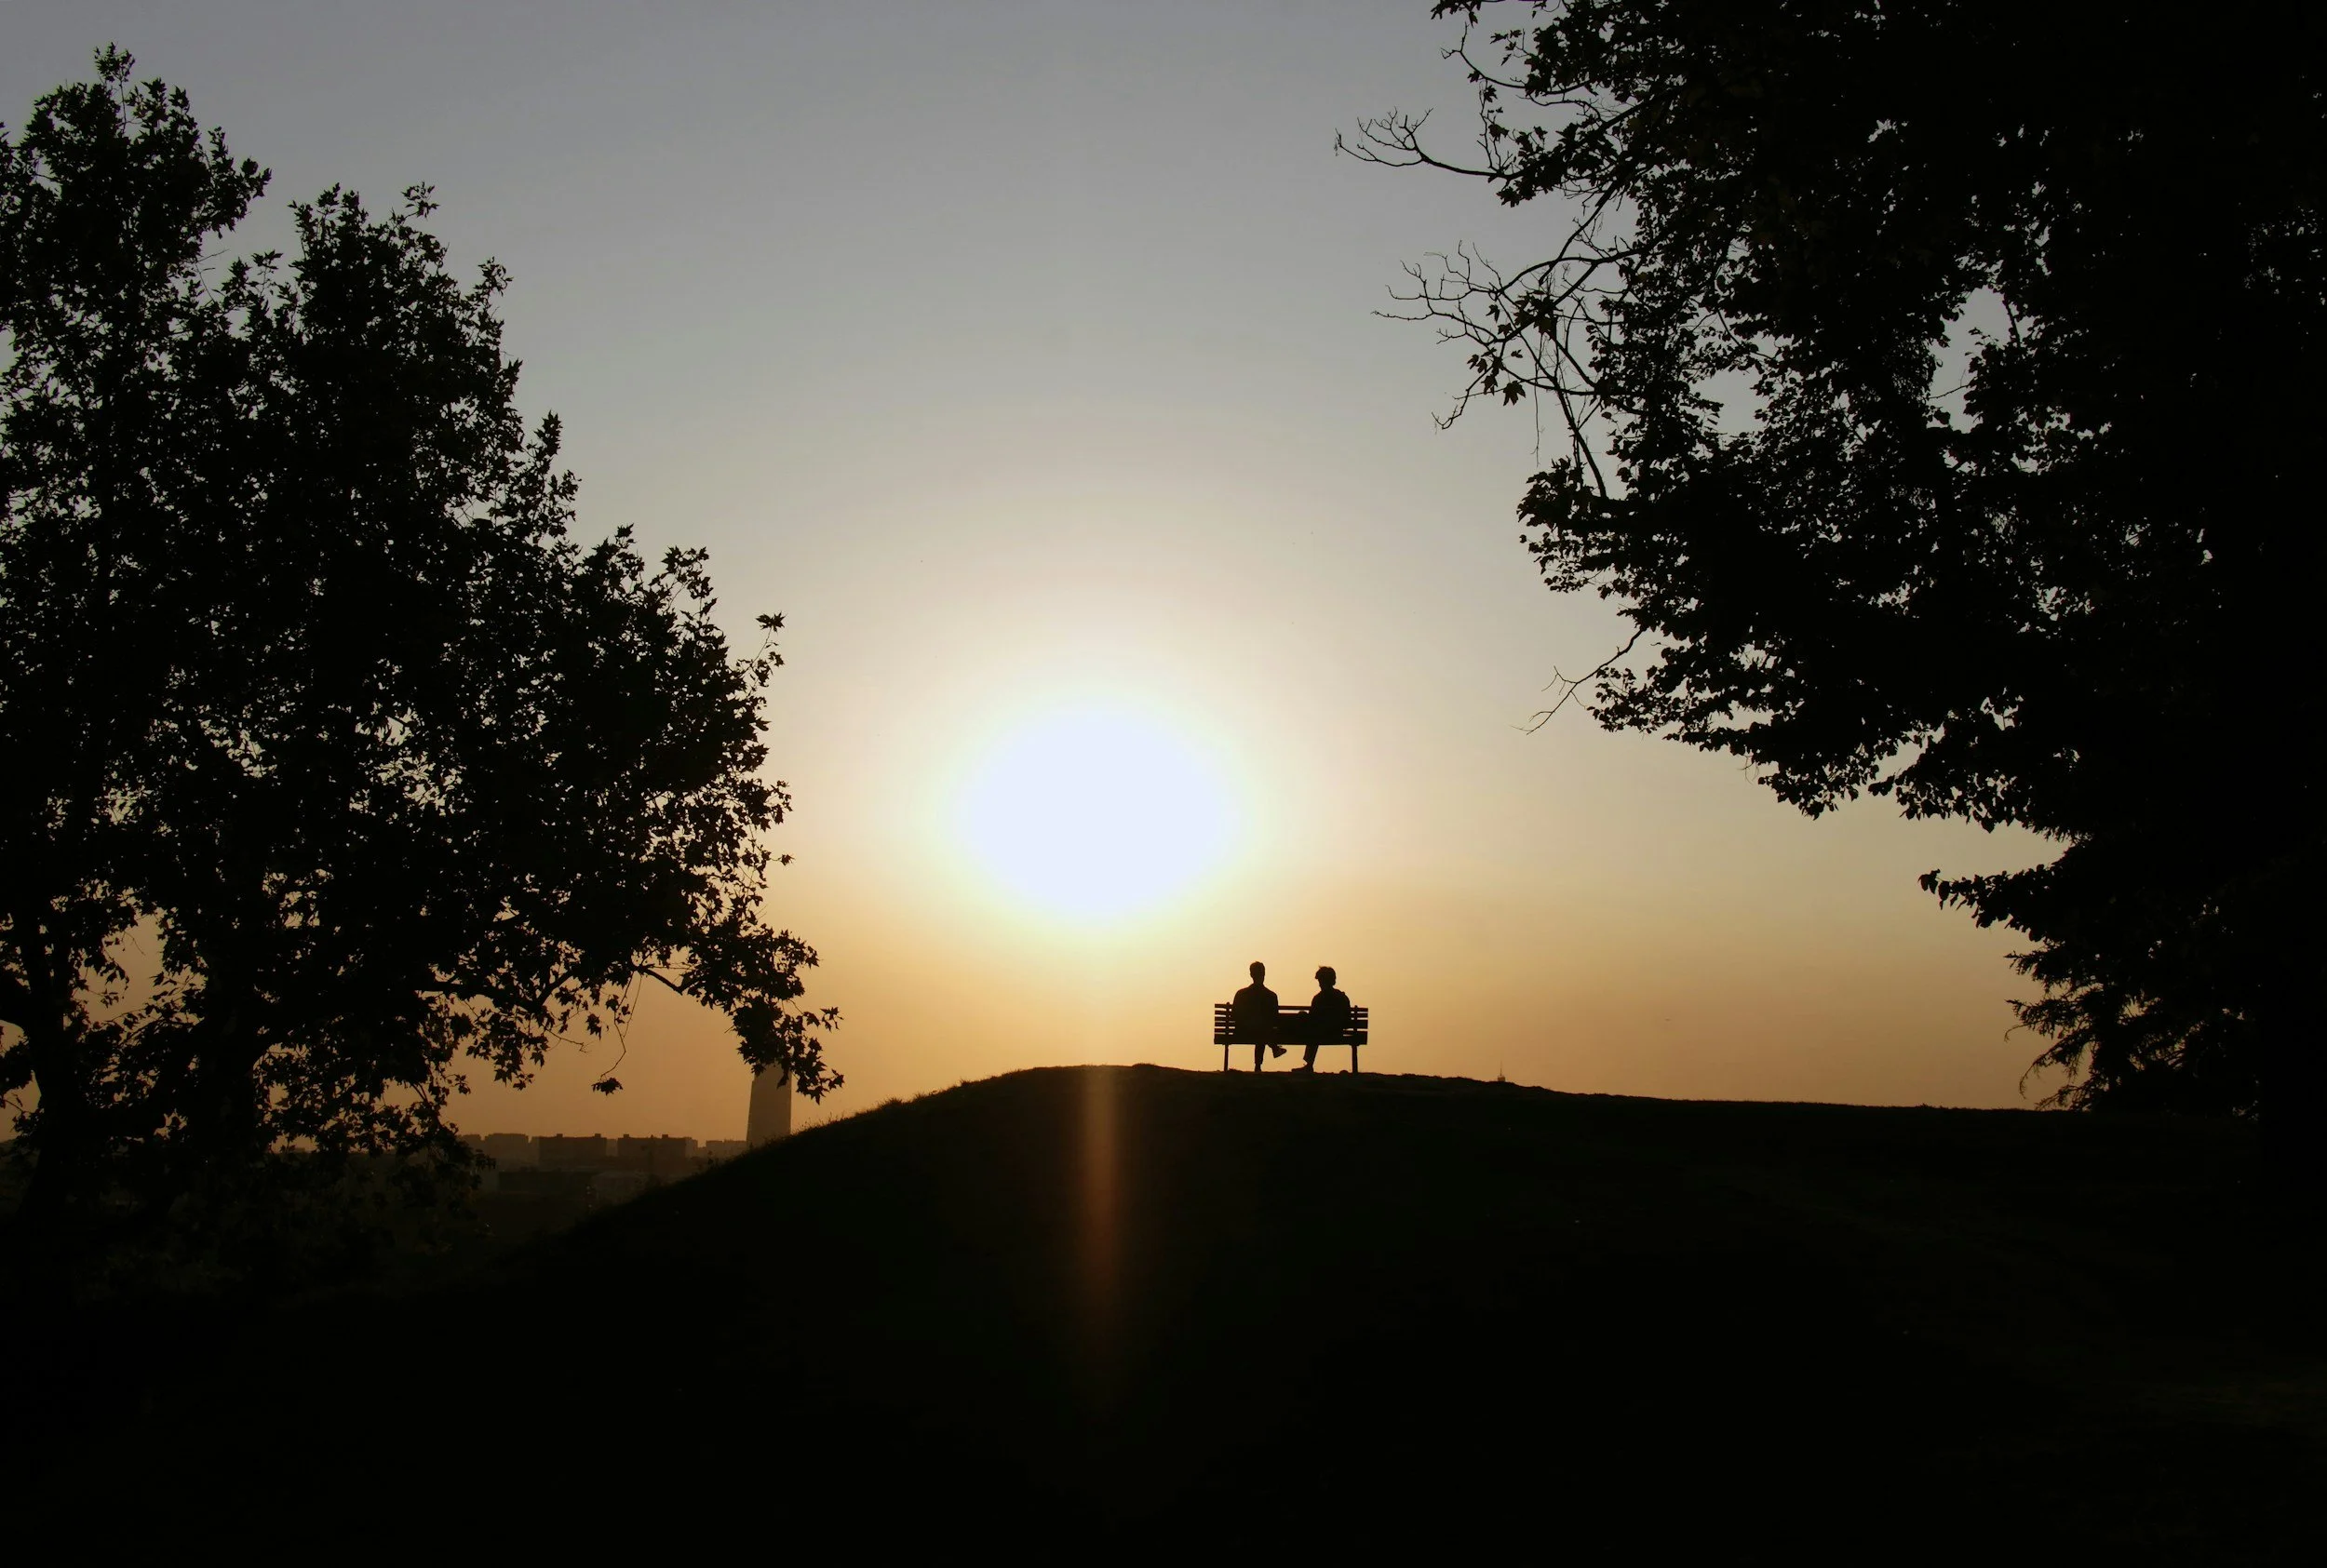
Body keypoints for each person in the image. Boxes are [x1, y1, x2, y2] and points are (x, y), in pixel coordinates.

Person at [1298, 966, 1352, 1073]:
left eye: (1320, 981)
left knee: (1312, 1031)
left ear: (1322, 981)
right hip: (1337, 1033)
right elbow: (1348, 1019)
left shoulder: (1319, 998)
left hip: (1320, 1033)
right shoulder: (1342, 997)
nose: (1319, 984)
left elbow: (1313, 1019)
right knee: (1314, 1031)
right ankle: (1309, 1065)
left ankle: (1309, 1065)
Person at [1231, 960, 1284, 1071]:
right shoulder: (1271, 996)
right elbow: (1275, 1019)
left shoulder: (1241, 994)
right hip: (1263, 1032)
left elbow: (1233, 1015)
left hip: (1242, 1032)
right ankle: (1262, 1061)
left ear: (1251, 975)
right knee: (1263, 1029)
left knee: (1261, 1028)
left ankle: (1265, 1058)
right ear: (1264, 974)